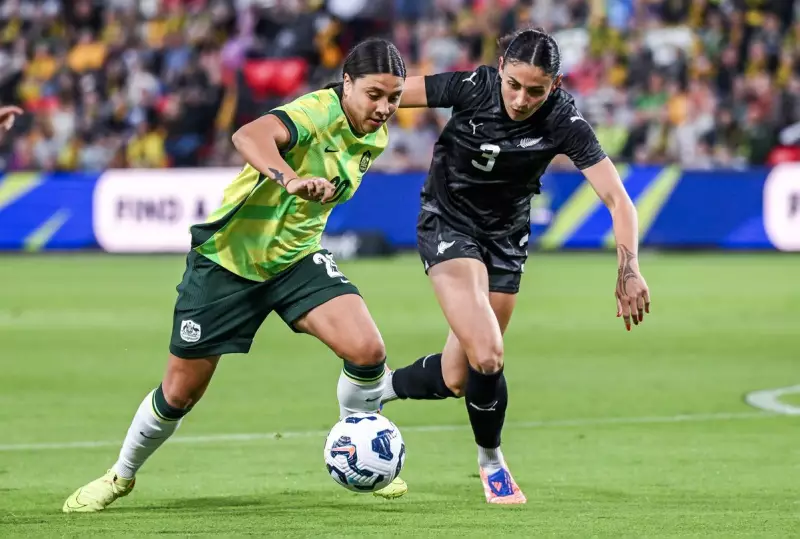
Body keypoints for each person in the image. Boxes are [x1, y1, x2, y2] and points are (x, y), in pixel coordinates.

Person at [63, 38, 409, 512]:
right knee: (179, 393)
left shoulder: (375, 135)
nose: (385, 107)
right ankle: (120, 476)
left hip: (293, 261)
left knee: (368, 351)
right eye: (374, 95)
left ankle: (359, 443)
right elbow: (248, 136)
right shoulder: (315, 114)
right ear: (346, 83)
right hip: (227, 262)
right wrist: (290, 179)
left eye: (394, 97)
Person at [380, 28, 651, 504]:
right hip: (447, 222)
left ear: (556, 84)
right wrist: (325, 113)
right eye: (513, 84)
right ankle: (492, 464)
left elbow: (618, 200)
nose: (521, 99)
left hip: (505, 240)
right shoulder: (472, 88)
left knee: (458, 376)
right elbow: (390, 91)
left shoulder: (564, 120)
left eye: (536, 90)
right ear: (500, 67)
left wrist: (628, 267)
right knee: (488, 353)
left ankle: (375, 390)